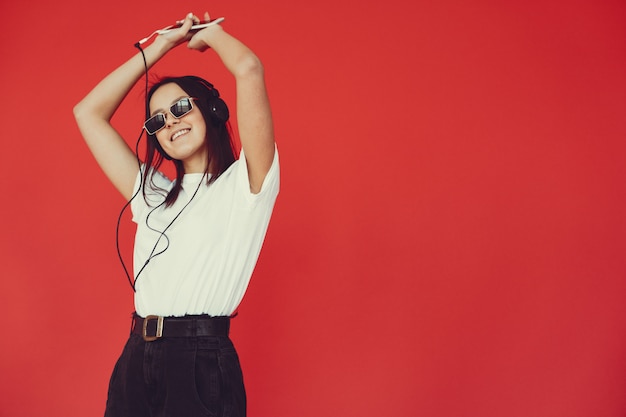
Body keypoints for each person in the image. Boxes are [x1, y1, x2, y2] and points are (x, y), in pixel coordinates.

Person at [73, 11, 279, 417]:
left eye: (182, 107)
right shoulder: (152, 194)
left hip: (201, 362)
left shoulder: (247, 185)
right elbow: (87, 113)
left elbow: (249, 68)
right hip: (137, 355)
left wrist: (210, 35)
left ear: (212, 111)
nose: (171, 122)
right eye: (158, 120)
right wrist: (159, 47)